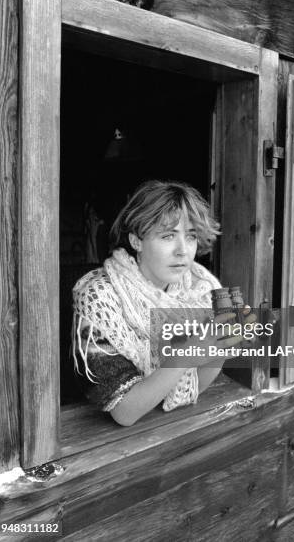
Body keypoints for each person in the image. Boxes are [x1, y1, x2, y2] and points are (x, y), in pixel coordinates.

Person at [72, 180, 253, 426]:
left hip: (172, 427)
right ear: (136, 241)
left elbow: (195, 386)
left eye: (190, 237)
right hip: (99, 438)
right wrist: (184, 357)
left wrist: (221, 346)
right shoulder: (101, 299)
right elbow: (124, 412)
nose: (183, 251)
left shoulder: (201, 288)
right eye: (168, 236)